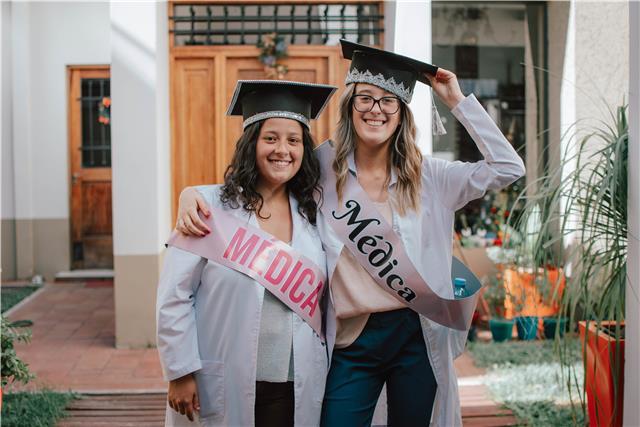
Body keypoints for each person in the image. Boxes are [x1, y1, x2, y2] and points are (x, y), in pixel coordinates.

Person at [175, 40, 525, 426]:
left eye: (388, 101)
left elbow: (508, 168)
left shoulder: (433, 178)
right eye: (365, 99)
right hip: (352, 338)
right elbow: (263, 175)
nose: (376, 110)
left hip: (417, 334)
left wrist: (457, 101)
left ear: (401, 112)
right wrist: (193, 194)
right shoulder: (320, 168)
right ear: (350, 106)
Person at [157, 80, 336, 427]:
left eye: (293, 140)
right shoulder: (209, 208)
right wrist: (179, 371)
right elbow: (174, 295)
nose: (282, 149)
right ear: (251, 143)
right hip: (227, 379)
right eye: (270, 138)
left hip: (295, 384)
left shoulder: (315, 215)